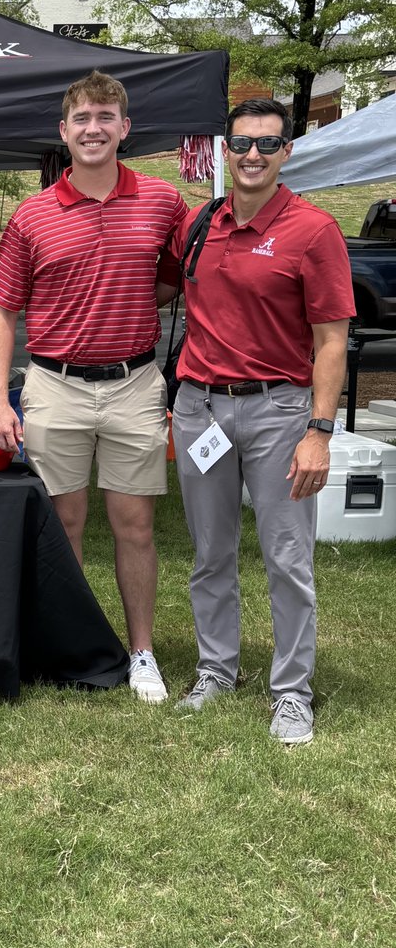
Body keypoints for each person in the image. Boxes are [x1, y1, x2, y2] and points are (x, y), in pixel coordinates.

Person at [0, 71, 188, 703]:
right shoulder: (32, 214)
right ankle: (75, 648)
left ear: (124, 128)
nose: (94, 128)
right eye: (82, 119)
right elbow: (2, 312)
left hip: (134, 383)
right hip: (54, 384)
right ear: (64, 132)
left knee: (135, 525)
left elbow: (181, 276)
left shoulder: (163, 202)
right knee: (62, 522)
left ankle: (143, 652)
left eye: (106, 116)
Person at [162, 98, 353, 744]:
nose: (252, 156)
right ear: (223, 149)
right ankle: (217, 670)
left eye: (267, 145)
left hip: (278, 411)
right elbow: (154, 285)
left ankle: (292, 691)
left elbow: (331, 341)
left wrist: (319, 432)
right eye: (241, 144)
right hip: (200, 408)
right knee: (210, 553)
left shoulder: (312, 230)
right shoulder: (196, 224)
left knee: (287, 558)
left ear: (287, 153)